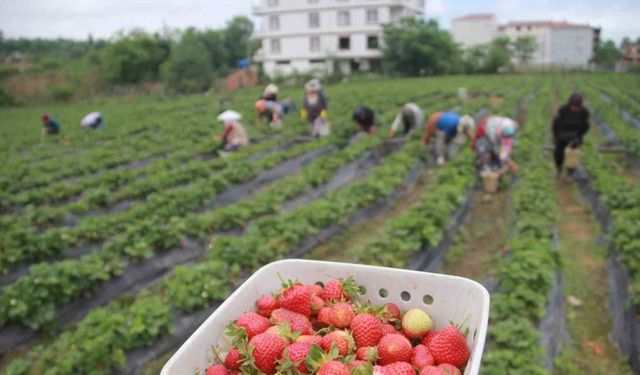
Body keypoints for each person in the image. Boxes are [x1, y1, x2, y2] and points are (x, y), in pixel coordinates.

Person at [552, 93, 590, 174]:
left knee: (573, 156)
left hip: (575, 137)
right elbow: (555, 124)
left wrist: (579, 135)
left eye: (577, 107)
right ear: (570, 104)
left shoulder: (584, 112)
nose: (575, 109)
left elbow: (585, 126)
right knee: (558, 154)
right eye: (574, 107)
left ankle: (570, 173)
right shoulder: (563, 110)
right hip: (562, 136)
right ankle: (558, 169)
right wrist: (557, 135)